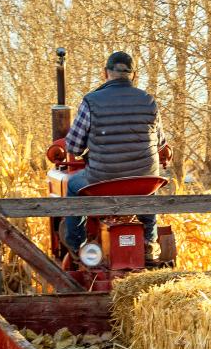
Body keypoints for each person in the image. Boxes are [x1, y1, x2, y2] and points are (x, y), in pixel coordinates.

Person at [62, 51, 165, 252]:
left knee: (73, 184)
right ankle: (149, 243)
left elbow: (73, 146)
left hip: (104, 179)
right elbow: (160, 142)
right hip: (143, 181)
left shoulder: (91, 101)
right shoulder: (149, 100)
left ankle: (76, 246)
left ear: (105, 73)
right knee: (148, 184)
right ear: (133, 75)